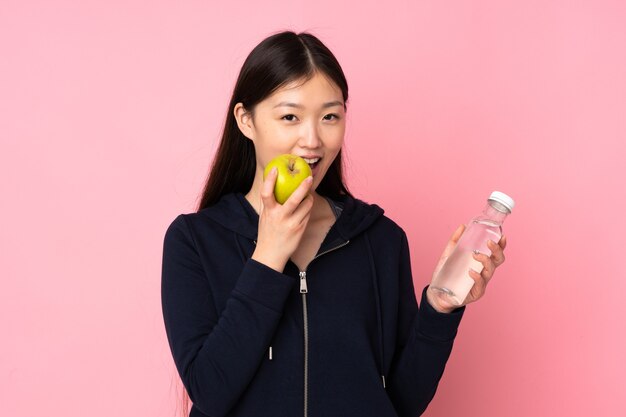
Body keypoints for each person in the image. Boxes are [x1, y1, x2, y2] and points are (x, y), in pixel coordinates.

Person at [161, 30, 507, 417]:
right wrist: (269, 256)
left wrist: (438, 309)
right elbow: (210, 392)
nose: (312, 140)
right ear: (245, 120)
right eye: (289, 116)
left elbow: (401, 403)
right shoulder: (195, 241)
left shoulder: (380, 240)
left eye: (330, 117)